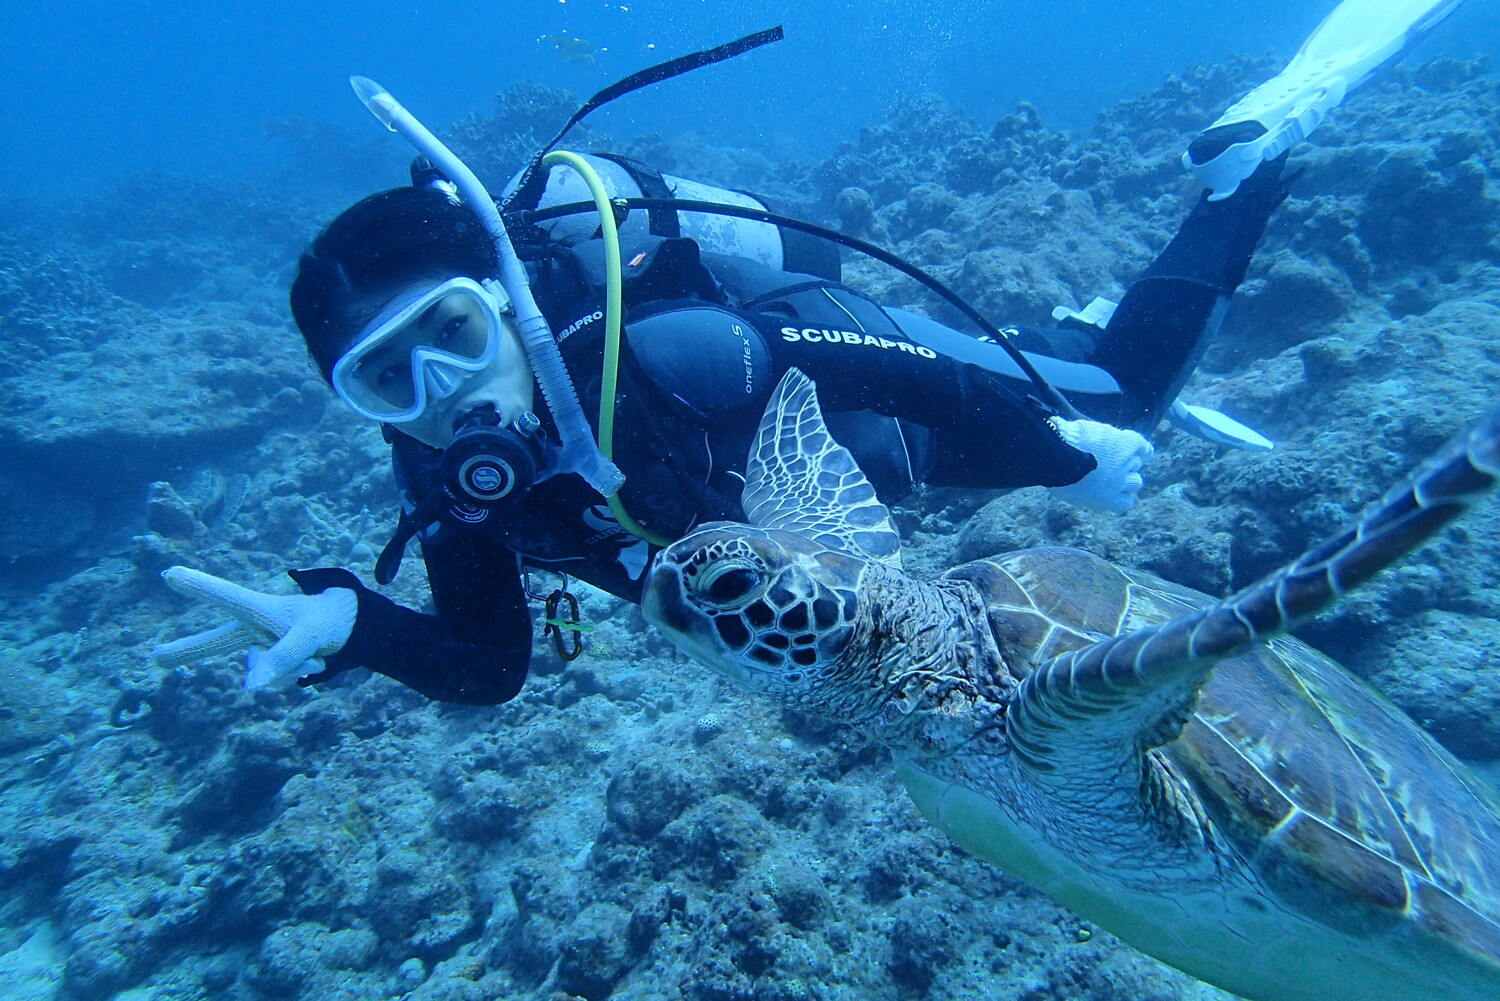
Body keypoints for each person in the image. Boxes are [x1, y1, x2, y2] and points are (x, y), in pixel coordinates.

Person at [153, 0, 1465, 705]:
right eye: (386, 381)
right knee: (1067, 365)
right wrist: (356, 624)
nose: (441, 396)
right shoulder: (456, 498)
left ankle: (1258, 150)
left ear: (502, 303)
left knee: (1116, 390)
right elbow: (489, 668)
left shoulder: (659, 352)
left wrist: (1060, 458)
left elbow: (891, 372)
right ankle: (1074, 326)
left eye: (451, 336)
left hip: (891, 406)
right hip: (829, 488)